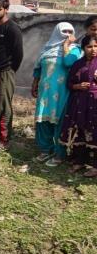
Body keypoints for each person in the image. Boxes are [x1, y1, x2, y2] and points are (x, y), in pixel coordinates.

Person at [32, 22, 78, 167]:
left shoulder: (75, 50)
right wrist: (35, 83)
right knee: (43, 120)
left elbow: (68, 63)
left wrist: (66, 45)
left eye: (70, 31)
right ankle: (46, 150)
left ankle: (60, 153)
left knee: (60, 122)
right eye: (64, 31)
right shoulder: (47, 49)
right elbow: (38, 68)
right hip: (45, 91)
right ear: (56, 32)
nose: (67, 34)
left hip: (63, 92)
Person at [0, 0, 23, 150]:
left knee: (4, 106)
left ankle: (4, 140)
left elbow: (18, 53)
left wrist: (10, 70)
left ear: (6, 9)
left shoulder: (13, 28)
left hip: (5, 72)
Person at [59, 35, 97, 177]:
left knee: (94, 132)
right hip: (79, 102)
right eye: (89, 47)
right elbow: (69, 83)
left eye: (96, 46)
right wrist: (78, 86)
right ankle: (80, 161)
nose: (93, 49)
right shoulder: (77, 64)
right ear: (83, 48)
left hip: (94, 103)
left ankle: (95, 166)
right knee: (80, 129)